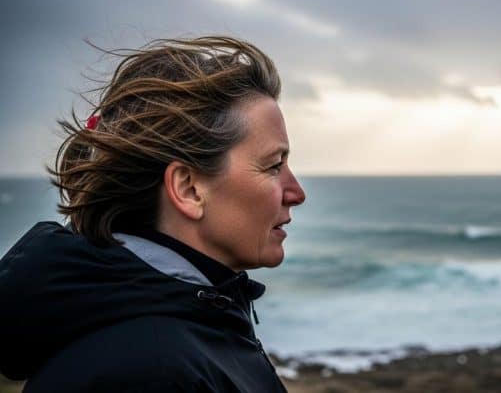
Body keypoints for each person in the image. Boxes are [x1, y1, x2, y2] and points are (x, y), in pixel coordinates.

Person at [0, 36, 306, 392]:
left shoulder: (196, 317)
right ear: (189, 189)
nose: (296, 193)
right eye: (273, 166)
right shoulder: (148, 374)